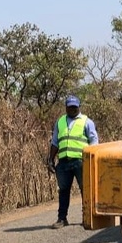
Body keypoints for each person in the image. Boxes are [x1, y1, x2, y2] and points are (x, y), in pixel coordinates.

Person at [46, 95, 99, 229]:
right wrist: (51, 159)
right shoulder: (60, 122)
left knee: (85, 190)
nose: (72, 109)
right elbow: (55, 142)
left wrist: (92, 159)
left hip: (81, 162)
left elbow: (94, 141)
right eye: (70, 107)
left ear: (79, 107)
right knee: (63, 190)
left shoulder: (87, 121)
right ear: (66, 108)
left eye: (75, 107)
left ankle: (87, 217)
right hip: (64, 162)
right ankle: (62, 218)